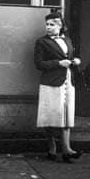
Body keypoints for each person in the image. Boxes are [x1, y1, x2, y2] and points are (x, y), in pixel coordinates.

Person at [34, 12, 82, 163]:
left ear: (60, 26)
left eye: (52, 24)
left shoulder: (67, 39)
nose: (48, 27)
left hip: (67, 81)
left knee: (66, 114)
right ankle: (52, 146)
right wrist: (58, 63)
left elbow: (67, 57)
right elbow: (39, 64)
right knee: (51, 115)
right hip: (51, 82)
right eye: (47, 24)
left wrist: (75, 61)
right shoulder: (41, 42)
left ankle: (67, 149)